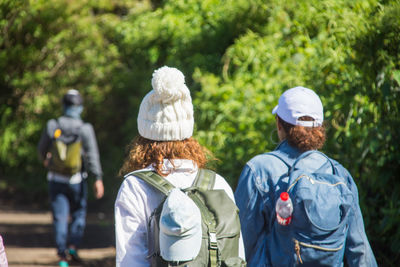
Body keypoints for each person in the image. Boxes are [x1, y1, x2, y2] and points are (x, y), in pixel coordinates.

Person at [114, 66, 245, 267]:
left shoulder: (134, 187)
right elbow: (237, 254)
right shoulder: (218, 184)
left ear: (143, 135)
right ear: (188, 133)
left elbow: (130, 259)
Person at [235, 86, 377, 266]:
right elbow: (360, 250)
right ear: (319, 127)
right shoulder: (339, 173)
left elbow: (241, 244)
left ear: (279, 124)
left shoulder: (259, 170)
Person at [38, 89, 104, 267]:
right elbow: (92, 156)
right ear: (80, 107)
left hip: (56, 179)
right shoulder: (85, 129)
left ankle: (62, 257)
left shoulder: (53, 125)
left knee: (60, 217)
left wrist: (45, 160)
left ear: (64, 105)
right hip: (77, 180)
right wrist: (97, 178)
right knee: (79, 213)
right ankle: (73, 246)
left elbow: (41, 149)